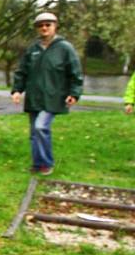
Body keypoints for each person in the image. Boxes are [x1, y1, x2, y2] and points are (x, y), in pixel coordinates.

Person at [11, 11, 83, 175]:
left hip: (54, 97)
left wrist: (74, 93)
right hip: (34, 97)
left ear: (55, 26)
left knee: (41, 127)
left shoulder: (65, 48)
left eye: (47, 25)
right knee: (34, 132)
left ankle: (47, 163)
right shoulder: (33, 49)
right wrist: (17, 90)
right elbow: (22, 71)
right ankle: (38, 164)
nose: (44, 28)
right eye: (40, 26)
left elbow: (76, 72)